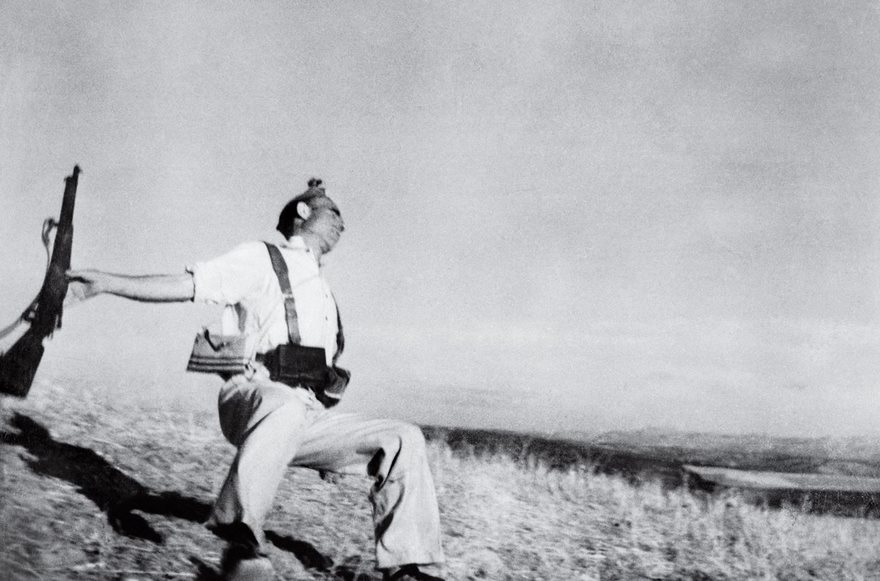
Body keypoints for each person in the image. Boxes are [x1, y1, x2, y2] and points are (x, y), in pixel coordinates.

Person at [66, 179, 446, 581]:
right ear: (303, 212)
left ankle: (409, 567)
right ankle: (242, 541)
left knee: (403, 437)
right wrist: (106, 282)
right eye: (334, 212)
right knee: (283, 406)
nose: (342, 224)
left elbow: (322, 376)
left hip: (304, 413)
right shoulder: (261, 258)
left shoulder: (324, 293)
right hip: (252, 395)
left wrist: (337, 450)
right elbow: (187, 285)